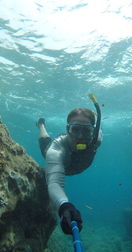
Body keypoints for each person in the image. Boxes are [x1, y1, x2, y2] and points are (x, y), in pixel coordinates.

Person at [37, 94, 102, 235]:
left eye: (87, 130)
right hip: (60, 160)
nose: (80, 136)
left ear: (93, 131)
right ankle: (41, 125)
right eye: (75, 129)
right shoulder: (55, 150)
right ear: (68, 130)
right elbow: (54, 183)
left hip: (74, 166)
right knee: (44, 144)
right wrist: (64, 206)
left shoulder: (97, 138)